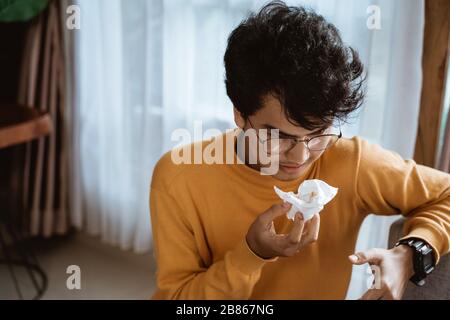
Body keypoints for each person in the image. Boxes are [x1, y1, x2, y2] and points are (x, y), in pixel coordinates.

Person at [149, 1, 450, 299]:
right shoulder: (179, 177)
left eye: (319, 133)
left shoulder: (351, 161)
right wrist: (251, 254)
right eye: (279, 136)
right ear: (239, 113)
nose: (301, 157)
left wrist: (409, 255)